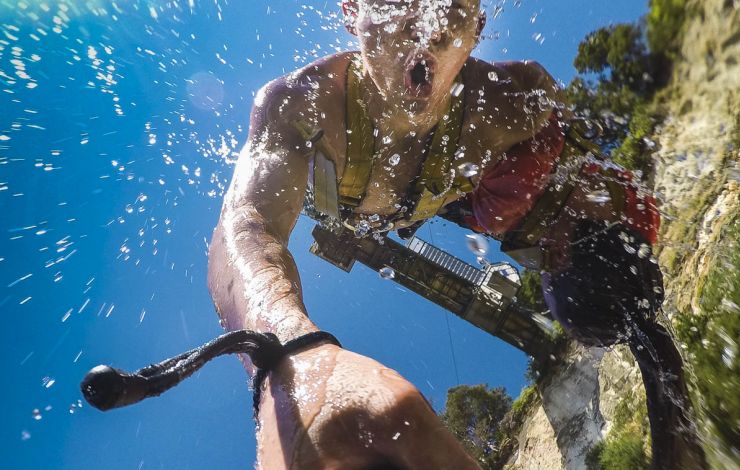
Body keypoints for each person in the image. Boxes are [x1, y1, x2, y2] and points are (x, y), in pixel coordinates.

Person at [207, 0, 705, 468]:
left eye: (454, 3)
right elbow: (244, 228)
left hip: (470, 191)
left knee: (604, 296)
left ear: (478, 29)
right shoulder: (300, 107)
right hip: (366, 204)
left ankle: (670, 388)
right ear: (351, 11)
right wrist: (294, 351)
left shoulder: (515, 100)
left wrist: (593, 231)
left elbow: (595, 176)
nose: (429, 17)